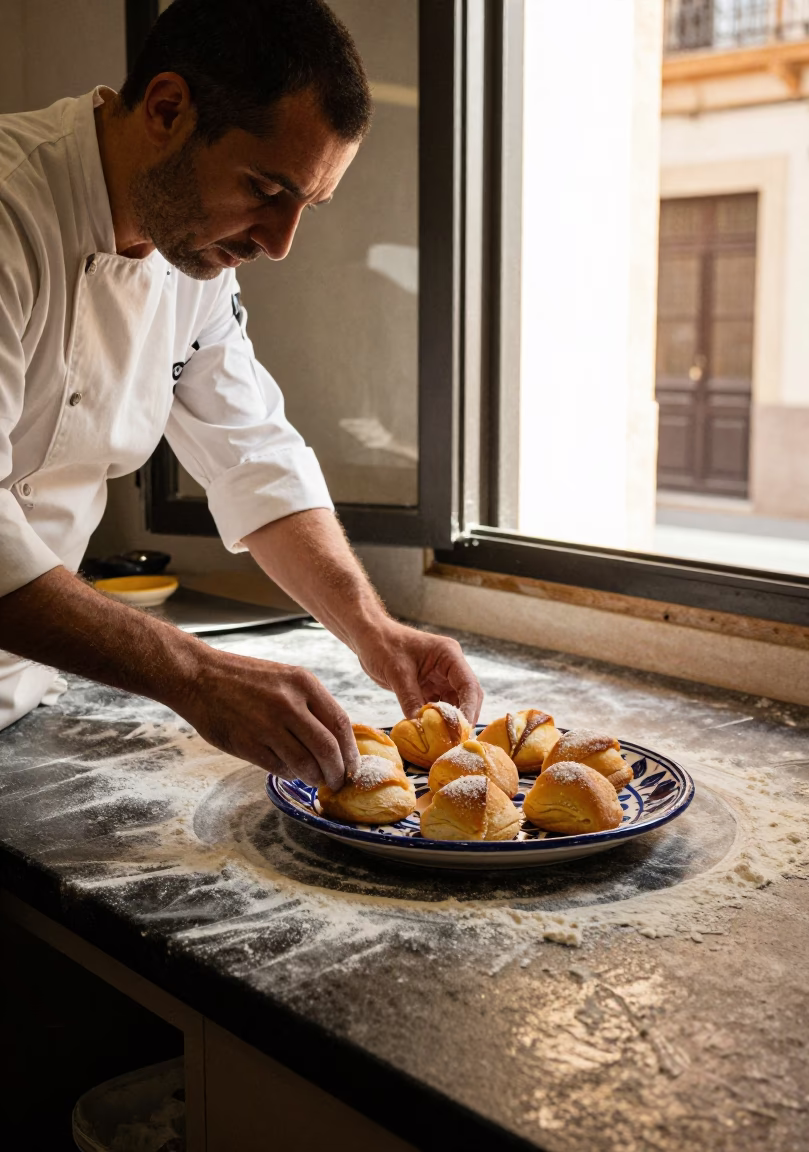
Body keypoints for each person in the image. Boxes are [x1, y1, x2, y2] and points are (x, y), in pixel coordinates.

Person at [0, 0, 482, 790]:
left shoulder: (191, 259)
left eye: (306, 207)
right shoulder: (9, 212)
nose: (279, 243)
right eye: (265, 188)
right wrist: (196, 675)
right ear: (167, 110)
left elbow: (252, 455)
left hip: (21, 693)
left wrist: (375, 633)